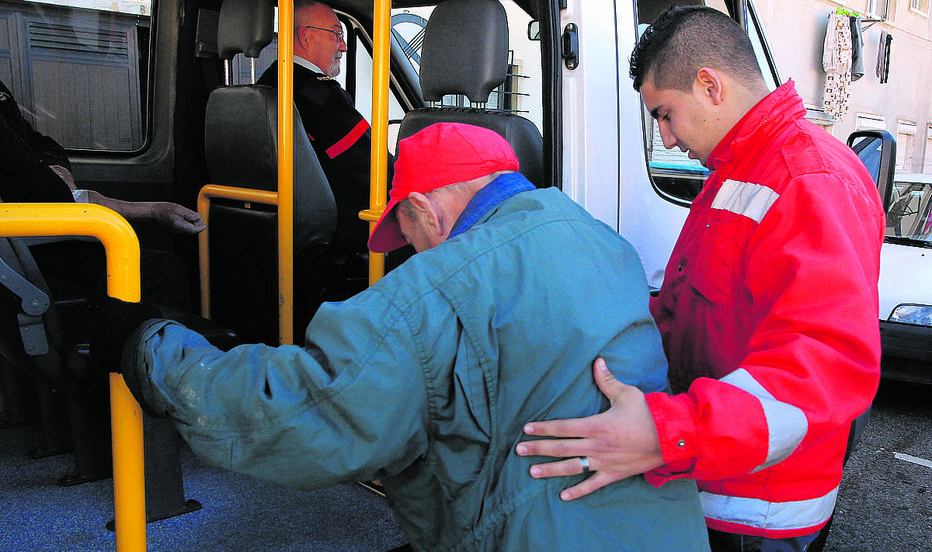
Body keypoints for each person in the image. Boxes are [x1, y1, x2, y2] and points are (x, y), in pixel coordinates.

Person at [89, 122, 710, 551]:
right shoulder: (604, 241)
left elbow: (300, 415)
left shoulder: (436, 288)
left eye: (404, 233)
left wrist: (150, 345)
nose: (408, 252)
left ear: (420, 211)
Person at [515, 5, 886, 551]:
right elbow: (687, 308)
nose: (665, 138)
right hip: (714, 478)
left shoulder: (810, 180)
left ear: (710, 85)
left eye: (664, 114)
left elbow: (825, 366)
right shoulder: (737, 172)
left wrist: (667, 433)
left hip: (758, 509)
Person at [0, 78, 205, 309]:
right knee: (162, 269)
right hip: (21, 241)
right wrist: (151, 211)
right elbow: (49, 194)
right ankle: (149, 344)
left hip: (31, 227)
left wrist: (55, 168)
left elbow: (45, 145)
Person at [257, 0, 371, 260]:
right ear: (306, 37)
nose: (342, 45)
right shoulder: (320, 96)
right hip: (342, 234)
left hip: (274, 228)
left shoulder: (266, 85)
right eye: (336, 34)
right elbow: (372, 169)